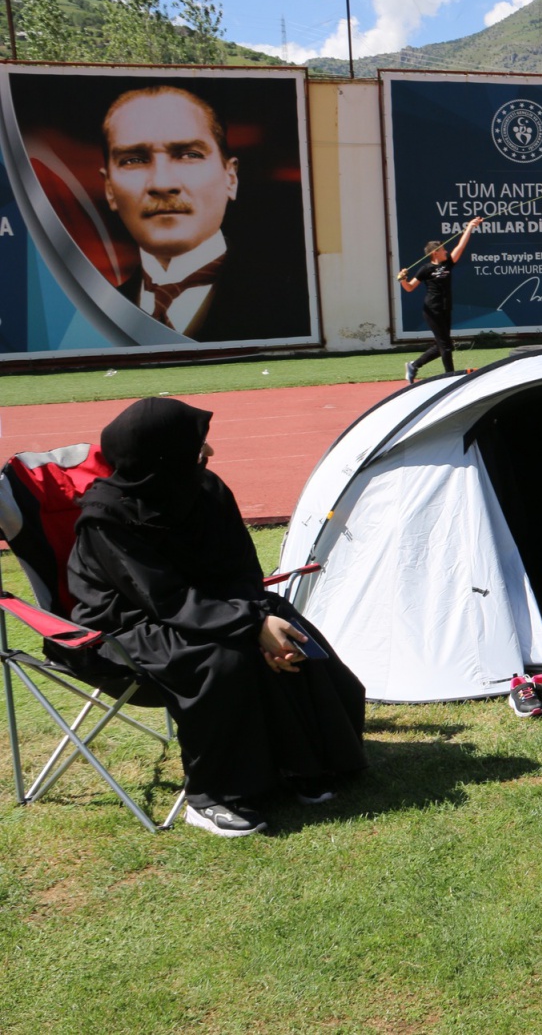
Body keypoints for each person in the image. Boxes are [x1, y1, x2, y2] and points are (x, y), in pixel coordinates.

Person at [66, 398, 367, 837]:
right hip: (127, 624)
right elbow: (163, 599)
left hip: (206, 604)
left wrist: (261, 619)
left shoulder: (207, 489)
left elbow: (240, 569)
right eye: (196, 446)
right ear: (162, 457)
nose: (208, 453)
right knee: (222, 659)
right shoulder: (106, 517)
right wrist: (251, 626)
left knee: (292, 632)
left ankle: (305, 762)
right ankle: (213, 796)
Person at [101, 84, 308, 343]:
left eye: (190, 155)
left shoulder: (294, 301)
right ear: (109, 189)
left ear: (230, 177)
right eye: (133, 160)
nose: (162, 183)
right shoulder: (94, 315)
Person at [398, 216, 483, 382]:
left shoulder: (448, 264)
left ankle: (414, 365)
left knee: (443, 346)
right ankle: (450, 378)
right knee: (446, 346)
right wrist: (402, 279)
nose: (446, 251)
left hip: (445, 308)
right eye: (443, 250)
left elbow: (461, 246)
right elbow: (409, 288)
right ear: (434, 253)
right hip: (432, 309)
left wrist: (470, 227)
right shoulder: (425, 269)